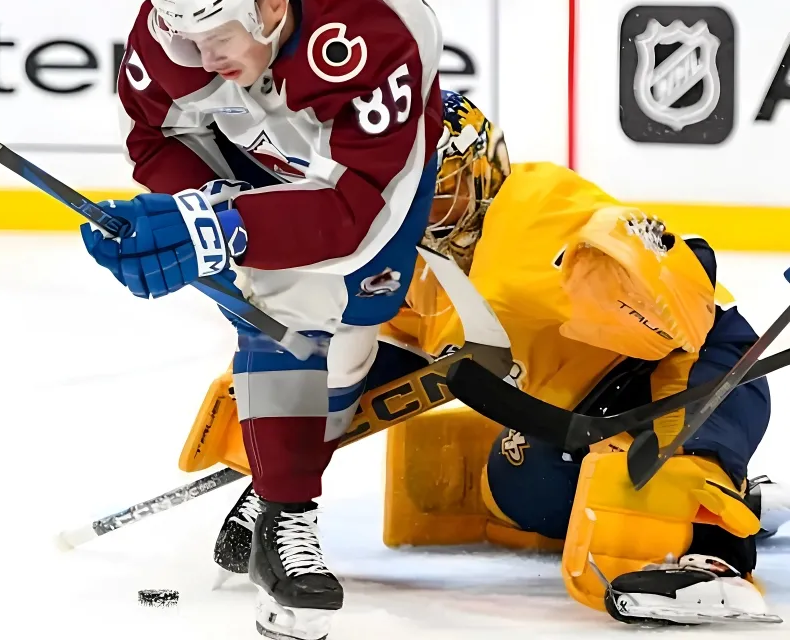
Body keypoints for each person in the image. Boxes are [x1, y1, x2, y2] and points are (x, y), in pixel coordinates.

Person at [191, 94, 778, 626]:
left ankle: (717, 557)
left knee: (674, 460)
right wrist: (280, 483)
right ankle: (746, 496)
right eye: (397, 194)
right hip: (572, 419)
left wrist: (658, 263)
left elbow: (673, 289)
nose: (416, 210)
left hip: (688, 367)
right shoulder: (403, 268)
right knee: (518, 492)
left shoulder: (537, 203)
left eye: (434, 187)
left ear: (480, 169)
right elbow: (360, 376)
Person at [81, 0, 443, 640]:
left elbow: (356, 213)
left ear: (272, 4)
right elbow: (154, 141)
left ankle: (282, 471)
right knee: (284, 311)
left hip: (368, 176)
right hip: (259, 151)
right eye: (184, 42)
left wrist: (220, 228)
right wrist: (201, 214)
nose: (197, 60)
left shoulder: (376, 39)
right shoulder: (175, 33)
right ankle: (287, 517)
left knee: (355, 329)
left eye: (214, 42)